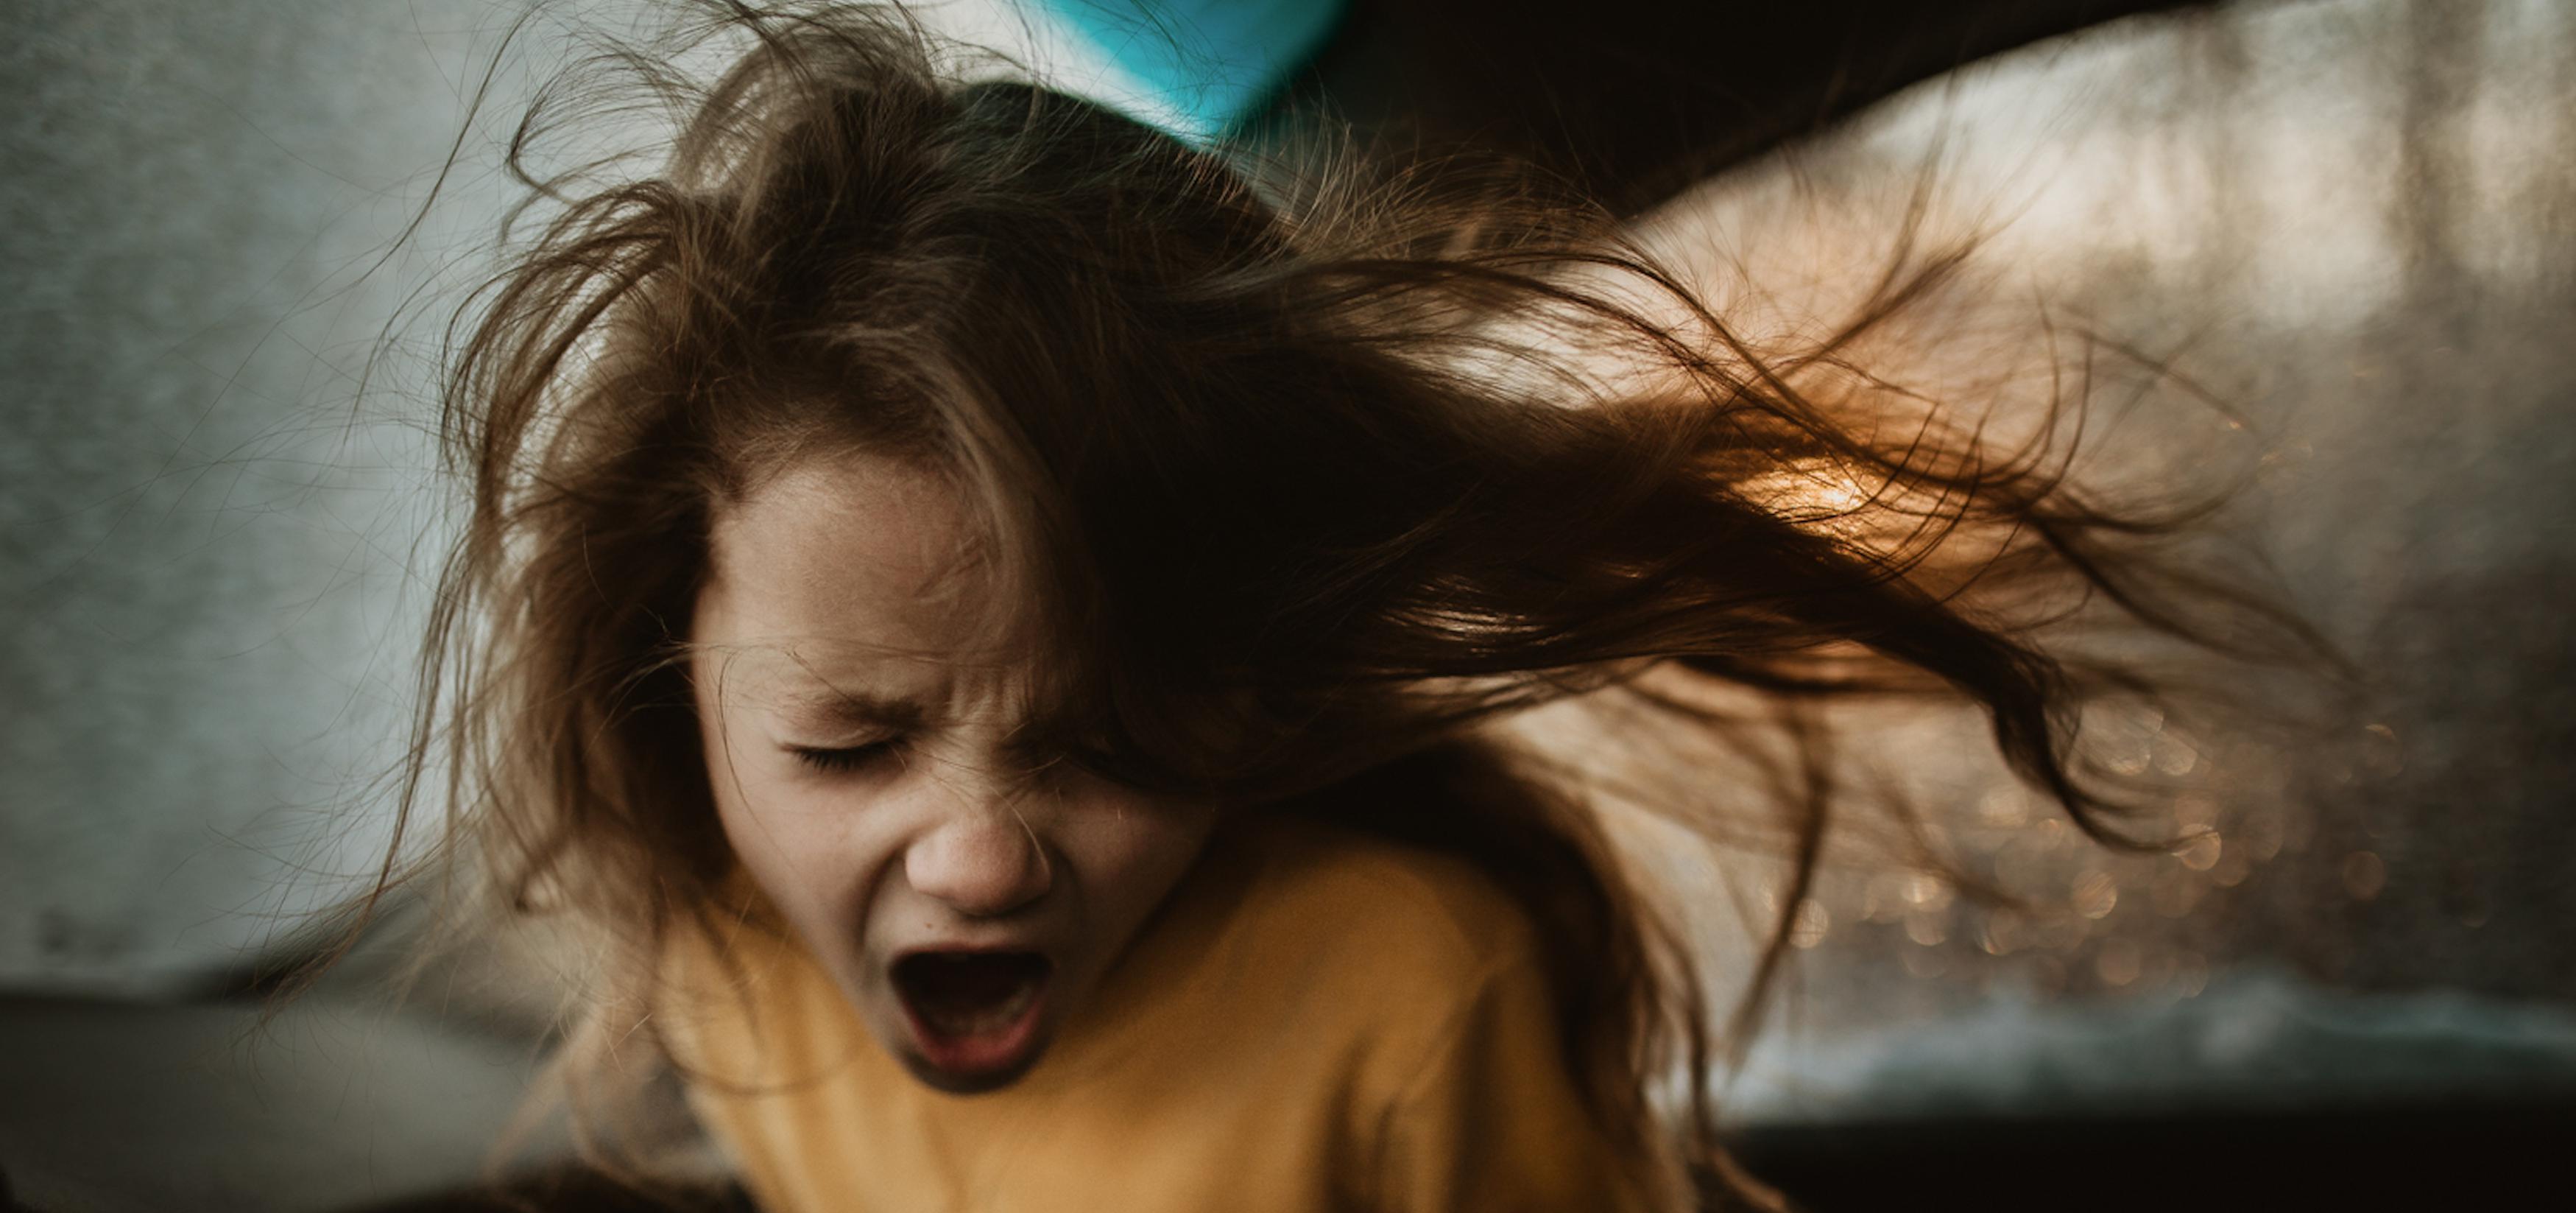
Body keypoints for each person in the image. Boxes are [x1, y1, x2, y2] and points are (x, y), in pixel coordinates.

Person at [353, 3, 2304, 1209]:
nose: (970, 860)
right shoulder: (723, 949)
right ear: (667, 667)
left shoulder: (1407, 997)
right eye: (850, 742)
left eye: (1112, 737)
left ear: (1257, 693)